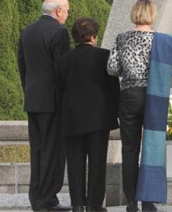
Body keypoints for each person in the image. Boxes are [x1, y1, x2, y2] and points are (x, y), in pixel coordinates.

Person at [108, 0, 172, 212]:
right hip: (153, 95)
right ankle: (148, 200)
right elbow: (171, 70)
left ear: (134, 14)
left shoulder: (122, 39)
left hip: (129, 95)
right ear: (152, 15)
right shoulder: (162, 42)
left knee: (129, 148)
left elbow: (111, 68)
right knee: (153, 145)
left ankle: (131, 201)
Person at [58, 18, 120, 212]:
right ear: (94, 37)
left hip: (72, 119)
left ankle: (77, 203)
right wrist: (117, 112)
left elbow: (59, 90)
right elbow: (114, 89)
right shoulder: (104, 56)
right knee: (97, 163)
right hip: (99, 119)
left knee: (75, 163)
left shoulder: (64, 60)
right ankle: (94, 204)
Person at [18, 0, 72, 212]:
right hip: (53, 102)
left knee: (37, 149)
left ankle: (36, 197)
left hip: (33, 99)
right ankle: (47, 198)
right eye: (67, 11)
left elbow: (23, 66)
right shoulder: (59, 32)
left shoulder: (27, 31)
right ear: (58, 11)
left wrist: (30, 90)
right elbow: (63, 69)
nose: (67, 15)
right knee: (53, 150)